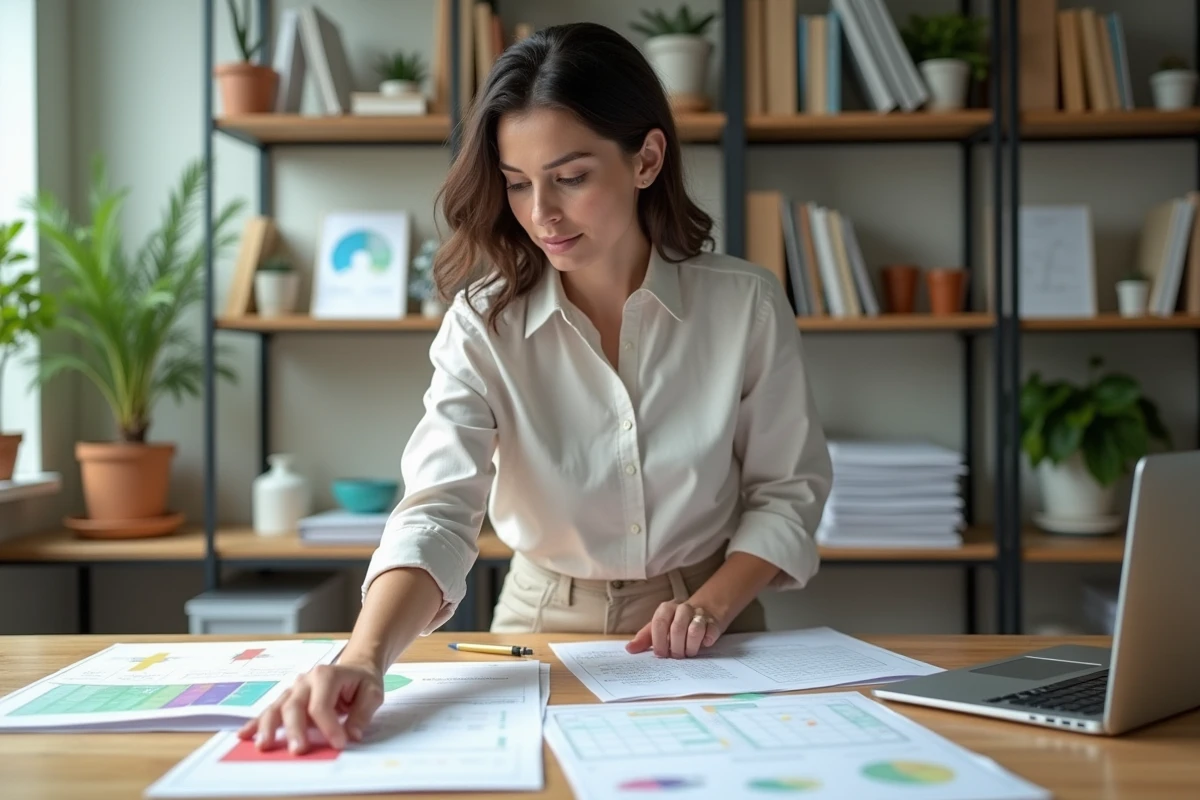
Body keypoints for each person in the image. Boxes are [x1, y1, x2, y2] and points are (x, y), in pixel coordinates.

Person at [239, 21, 832, 755]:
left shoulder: (744, 304)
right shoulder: (482, 323)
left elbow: (787, 491)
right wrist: (361, 657)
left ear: (646, 159)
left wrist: (709, 607)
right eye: (517, 184)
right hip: (540, 621)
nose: (541, 213)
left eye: (571, 177)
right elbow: (438, 511)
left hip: (713, 624)